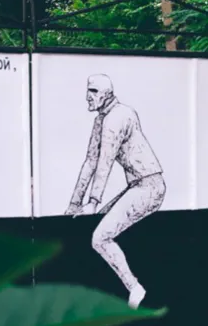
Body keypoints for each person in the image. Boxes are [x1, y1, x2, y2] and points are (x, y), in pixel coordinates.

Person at [65, 74, 166, 308]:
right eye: (87, 91)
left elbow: (105, 161)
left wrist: (92, 201)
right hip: (138, 185)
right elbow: (90, 161)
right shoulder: (101, 119)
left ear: (106, 94)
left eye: (92, 91)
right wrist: (74, 202)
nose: (87, 97)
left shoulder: (119, 117)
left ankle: (135, 288)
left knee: (100, 238)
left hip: (150, 186)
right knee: (99, 226)